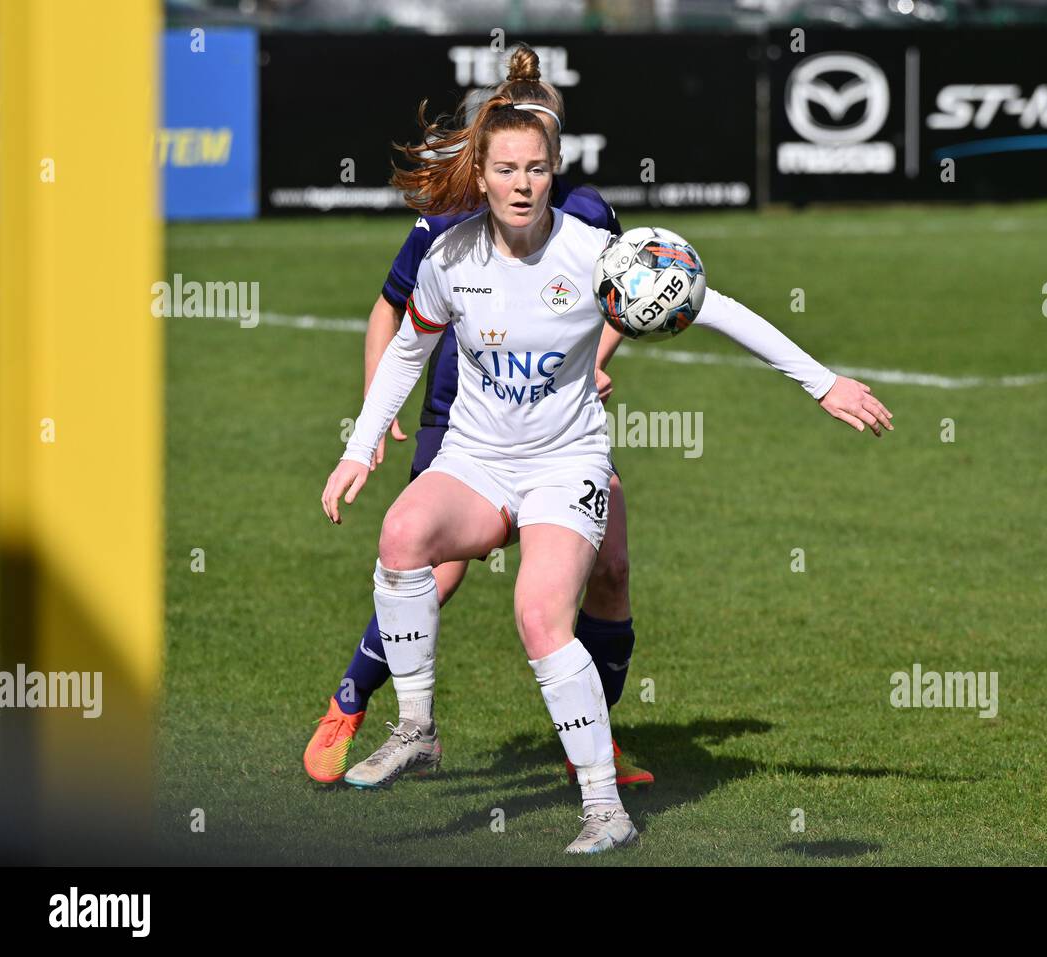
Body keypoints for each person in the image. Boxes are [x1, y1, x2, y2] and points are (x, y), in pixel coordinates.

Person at [307, 45, 895, 804]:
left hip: (563, 459)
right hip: (472, 448)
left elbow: (712, 304)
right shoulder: (447, 252)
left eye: (537, 168)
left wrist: (821, 382)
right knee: (407, 542)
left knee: (550, 606)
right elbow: (407, 342)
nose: (523, 183)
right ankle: (403, 723)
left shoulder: (594, 245)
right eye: (508, 169)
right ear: (480, 172)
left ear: (557, 164)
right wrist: (361, 444)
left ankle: (598, 782)